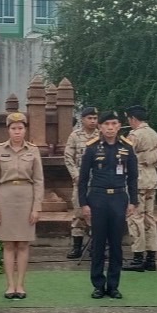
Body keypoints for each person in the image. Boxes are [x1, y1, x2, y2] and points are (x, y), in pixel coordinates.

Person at [78, 110, 138, 299]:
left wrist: (133, 201)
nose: (110, 128)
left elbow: (133, 177)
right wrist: (83, 203)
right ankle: (98, 284)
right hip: (98, 198)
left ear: (119, 126)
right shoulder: (92, 148)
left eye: (113, 124)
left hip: (119, 198)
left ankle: (113, 286)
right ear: (100, 127)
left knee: (116, 244)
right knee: (98, 243)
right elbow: (83, 178)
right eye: (106, 124)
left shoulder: (127, 147)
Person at [0, 112, 44, 299]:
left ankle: (20, 285)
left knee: (23, 243)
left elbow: (38, 180)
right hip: (5, 198)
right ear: (8, 130)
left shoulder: (33, 150)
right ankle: (10, 285)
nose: (17, 131)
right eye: (13, 128)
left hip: (26, 198)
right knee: (8, 243)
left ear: (25, 130)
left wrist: (36, 207)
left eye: (20, 128)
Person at [122, 105, 157, 272]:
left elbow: (124, 157)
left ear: (133, 118)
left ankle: (138, 257)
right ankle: (151, 258)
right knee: (149, 218)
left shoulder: (134, 135)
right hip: (152, 177)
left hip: (137, 179)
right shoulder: (155, 134)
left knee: (135, 217)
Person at [64, 106, 99, 259]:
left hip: (98, 182)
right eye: (89, 118)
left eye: (95, 118)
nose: (93, 121)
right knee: (79, 214)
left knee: (97, 215)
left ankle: (95, 246)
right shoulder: (75, 136)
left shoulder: (101, 135)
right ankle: (76, 247)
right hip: (80, 182)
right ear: (83, 119)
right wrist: (76, 175)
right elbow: (68, 157)